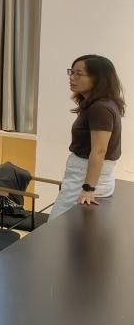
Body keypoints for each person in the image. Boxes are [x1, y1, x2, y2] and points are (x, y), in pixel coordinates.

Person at [51, 55, 125, 218]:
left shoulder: (100, 108)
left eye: (79, 73)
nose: (72, 77)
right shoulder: (99, 105)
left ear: (98, 78)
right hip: (85, 175)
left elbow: (99, 150)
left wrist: (89, 188)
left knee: (59, 224)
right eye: (71, 72)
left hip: (85, 178)